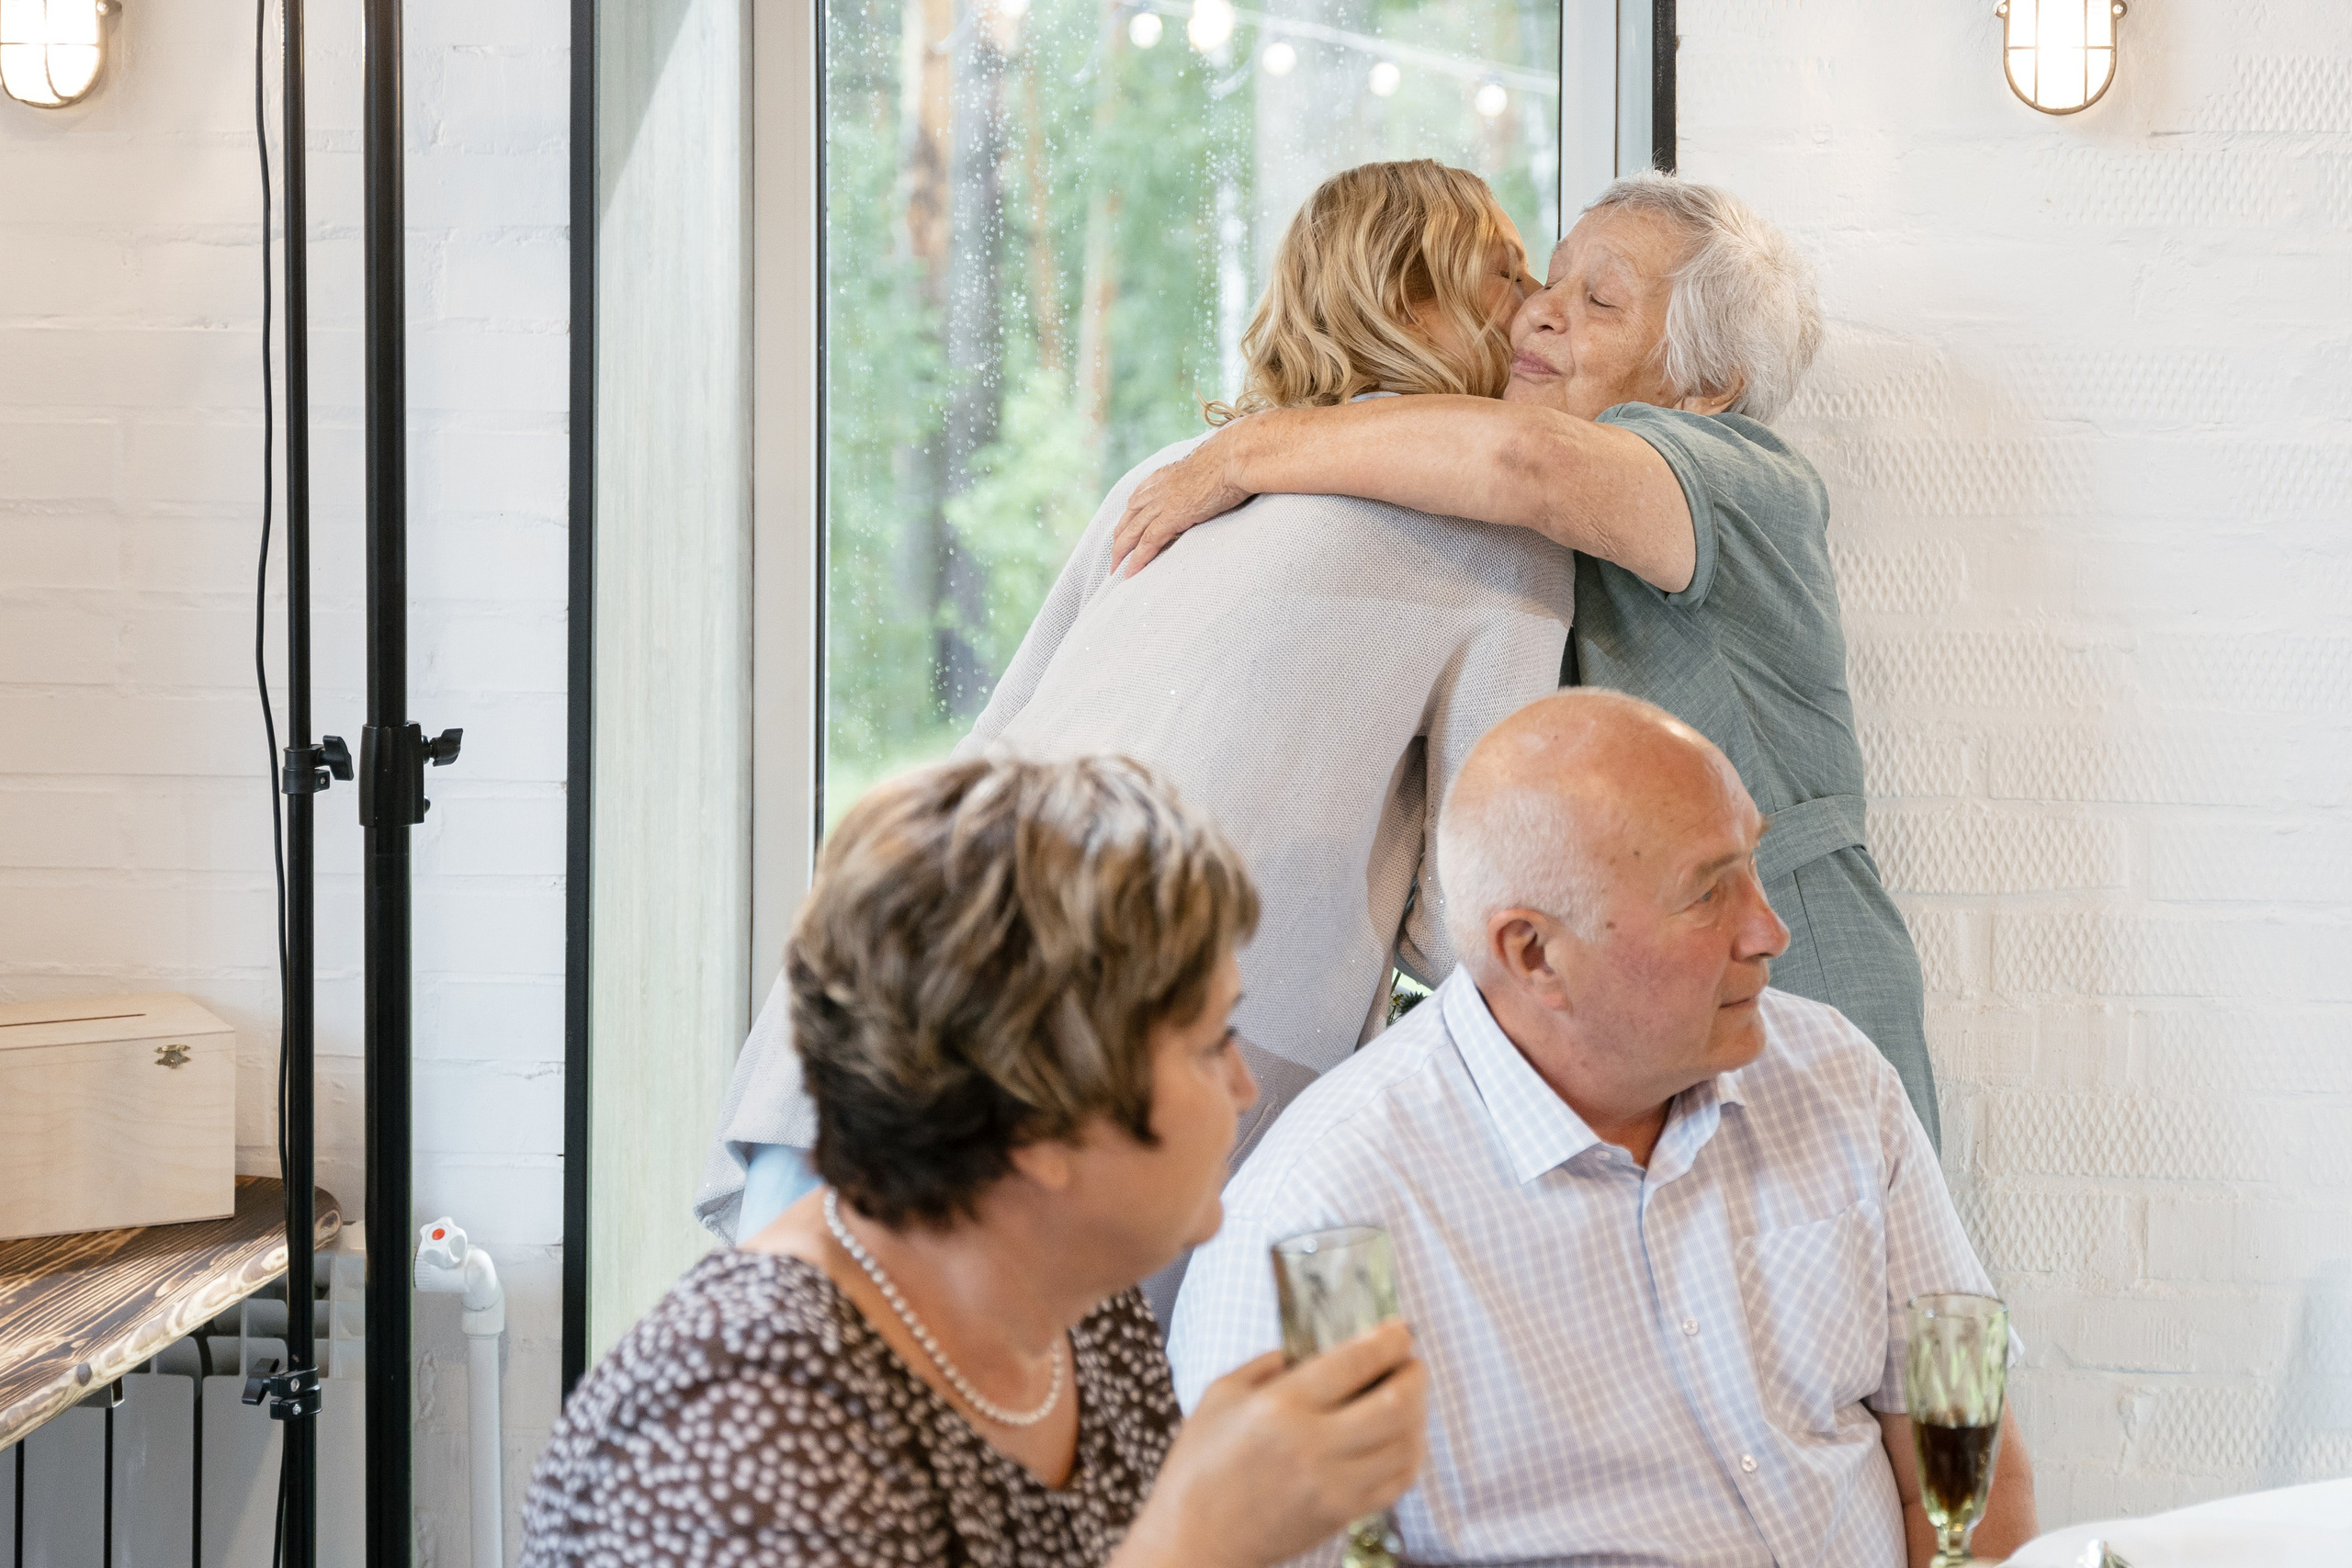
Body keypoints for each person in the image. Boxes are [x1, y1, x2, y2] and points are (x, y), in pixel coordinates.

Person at [696, 161, 1577, 1260]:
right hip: (1176, 1026)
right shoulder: (1500, 530)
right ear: (1409, 300)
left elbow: (999, 728)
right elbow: (1467, 906)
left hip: (915, 958)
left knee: (796, 1362)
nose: (1536, 306)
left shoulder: (1174, 474)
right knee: (1075, 1392)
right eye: (1503, 276)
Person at [1115, 171, 1941, 1146]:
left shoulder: (1740, 478)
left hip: (1785, 975)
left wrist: (1239, 455)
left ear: (1704, 383)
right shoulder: (1526, 548)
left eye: (1598, 299)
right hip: (1633, 1008)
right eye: (1546, 283)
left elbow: (1523, 463)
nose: (1539, 314)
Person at [1167, 690, 2035, 1567]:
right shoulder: (1320, 1215)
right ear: (1534, 953)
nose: (1768, 931)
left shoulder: (1834, 1076)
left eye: (1752, 866)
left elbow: (1970, 1459)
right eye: (1707, 893)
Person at [522, 756, 1428, 1568]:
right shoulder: (745, 1420)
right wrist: (1196, 1545)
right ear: (1038, 1118)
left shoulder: (1074, 1310)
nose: (1240, 1085)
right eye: (1207, 1044)